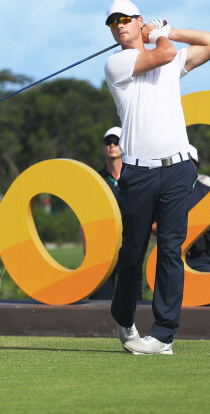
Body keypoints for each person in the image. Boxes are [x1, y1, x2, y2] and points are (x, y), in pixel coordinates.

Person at [103, 0, 210, 355]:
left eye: (124, 20)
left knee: (170, 250)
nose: (118, 26)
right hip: (138, 171)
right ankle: (124, 317)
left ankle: (164, 335)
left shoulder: (166, 52)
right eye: (113, 23)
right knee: (133, 252)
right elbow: (164, 55)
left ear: (137, 20)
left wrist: (168, 30)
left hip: (177, 168)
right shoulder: (118, 62)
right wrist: (157, 36)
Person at [89, 126, 122, 300]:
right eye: (108, 142)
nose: (112, 145)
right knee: (99, 305)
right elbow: (86, 218)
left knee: (134, 305)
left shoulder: (136, 177)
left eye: (116, 141)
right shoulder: (96, 179)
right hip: (102, 249)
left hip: (128, 248)